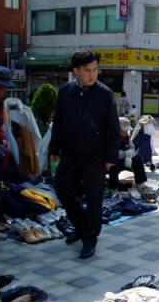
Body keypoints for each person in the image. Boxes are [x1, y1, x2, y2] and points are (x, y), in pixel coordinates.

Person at [49, 50, 121, 259]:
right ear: (76, 71)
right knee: (63, 191)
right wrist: (54, 149)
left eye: (95, 69)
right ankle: (81, 227)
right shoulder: (65, 92)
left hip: (95, 156)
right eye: (87, 70)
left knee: (94, 198)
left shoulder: (105, 93)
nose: (92, 74)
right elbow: (59, 122)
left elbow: (113, 128)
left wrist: (110, 158)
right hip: (70, 153)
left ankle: (90, 238)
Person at [107, 117, 156, 201]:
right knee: (114, 162)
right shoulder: (110, 137)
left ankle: (140, 183)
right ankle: (113, 188)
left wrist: (129, 157)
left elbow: (132, 148)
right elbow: (112, 153)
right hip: (111, 163)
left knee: (137, 158)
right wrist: (126, 154)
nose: (126, 132)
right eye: (123, 130)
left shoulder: (126, 136)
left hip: (125, 160)